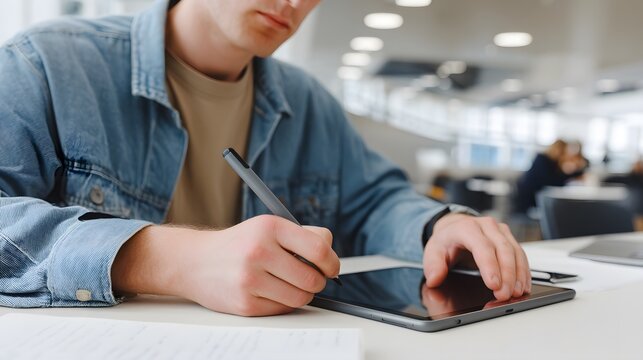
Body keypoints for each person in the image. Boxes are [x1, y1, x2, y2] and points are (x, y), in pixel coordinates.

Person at [0, 0, 530, 316]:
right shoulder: (49, 64)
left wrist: (435, 226)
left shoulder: (307, 101)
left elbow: (373, 201)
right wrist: (171, 260)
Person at [513, 139, 587, 216]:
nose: (562, 155)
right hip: (530, 200)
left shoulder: (552, 162)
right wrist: (573, 175)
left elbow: (557, 180)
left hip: (539, 198)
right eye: (562, 152)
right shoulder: (542, 159)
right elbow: (551, 182)